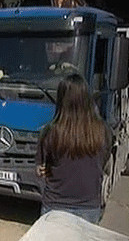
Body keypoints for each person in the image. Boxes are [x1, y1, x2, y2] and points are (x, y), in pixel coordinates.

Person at [36, 74, 112, 224]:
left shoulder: (50, 131)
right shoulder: (102, 130)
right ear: (86, 98)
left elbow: (41, 169)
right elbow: (104, 160)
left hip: (54, 206)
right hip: (89, 207)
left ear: (61, 99)